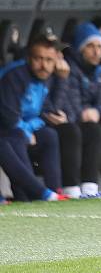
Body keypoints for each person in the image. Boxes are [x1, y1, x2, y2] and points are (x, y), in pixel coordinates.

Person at [0, 35, 68, 201]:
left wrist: (62, 80)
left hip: (21, 130)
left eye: (49, 60)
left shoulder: (46, 77)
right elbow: (9, 118)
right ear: (29, 58)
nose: (43, 65)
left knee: (49, 135)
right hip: (8, 132)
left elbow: (49, 111)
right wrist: (27, 131)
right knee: (16, 136)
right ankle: (34, 195)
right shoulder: (15, 76)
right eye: (38, 59)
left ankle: (55, 191)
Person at [63, 22, 101, 196]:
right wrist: (84, 113)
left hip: (92, 120)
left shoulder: (98, 71)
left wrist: (97, 112)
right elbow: (68, 103)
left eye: (100, 46)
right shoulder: (70, 68)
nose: (97, 51)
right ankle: (84, 187)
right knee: (94, 130)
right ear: (80, 48)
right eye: (90, 46)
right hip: (73, 121)